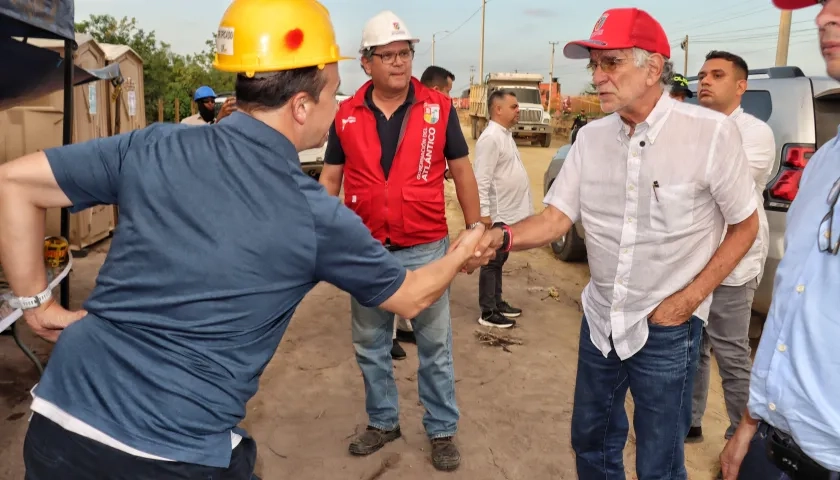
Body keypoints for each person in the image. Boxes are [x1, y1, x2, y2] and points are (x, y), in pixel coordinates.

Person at [0, 2, 487, 478]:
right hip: (174, 453)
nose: (337, 108)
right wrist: (466, 246)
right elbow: (413, 296)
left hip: (58, 426)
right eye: (333, 94)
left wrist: (37, 305)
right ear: (301, 105)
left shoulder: (153, 144)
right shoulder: (312, 213)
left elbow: (13, 184)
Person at [463, 7, 759, 479]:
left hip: (666, 326)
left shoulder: (709, 135)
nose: (598, 77)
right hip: (600, 320)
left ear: (653, 68)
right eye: (594, 65)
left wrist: (688, 300)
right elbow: (557, 219)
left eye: (611, 63)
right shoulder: (591, 138)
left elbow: (746, 226)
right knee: (592, 440)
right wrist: (501, 238)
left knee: (660, 458)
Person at [318, 10, 481, 472]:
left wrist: (475, 230)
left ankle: (442, 429)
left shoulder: (439, 108)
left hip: (426, 247)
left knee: (435, 346)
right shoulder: (345, 114)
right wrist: (323, 236)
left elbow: (462, 171)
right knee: (370, 344)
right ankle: (384, 420)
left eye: (404, 53)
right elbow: (331, 178)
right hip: (365, 250)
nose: (397, 63)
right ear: (366, 64)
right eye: (386, 55)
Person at [718, 0, 840, 478]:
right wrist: (749, 424)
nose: (824, 18)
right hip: (776, 442)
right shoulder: (826, 160)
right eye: (823, 5)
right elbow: (793, 299)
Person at [688, 50, 776, 444]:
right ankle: (690, 421)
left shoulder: (756, 132)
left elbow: (718, 179)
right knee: (693, 347)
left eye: (717, 75)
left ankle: (742, 435)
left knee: (732, 352)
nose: (704, 81)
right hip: (692, 259)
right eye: (703, 74)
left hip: (734, 261)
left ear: (740, 86)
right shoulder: (690, 125)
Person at [393, 65, 461, 353]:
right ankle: (391, 337)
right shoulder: (406, 116)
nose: (449, 96)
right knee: (396, 282)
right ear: (434, 89)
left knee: (416, 285)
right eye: (446, 90)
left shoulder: (438, 117)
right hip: (397, 223)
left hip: (424, 225)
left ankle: (403, 327)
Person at [473, 89, 532, 328]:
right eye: (514, 106)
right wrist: (484, 214)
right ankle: (488, 312)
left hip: (509, 212)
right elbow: (482, 178)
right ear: (498, 109)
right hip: (497, 214)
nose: (518, 110)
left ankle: (497, 302)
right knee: (492, 261)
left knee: (500, 259)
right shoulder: (490, 138)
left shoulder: (505, 134)